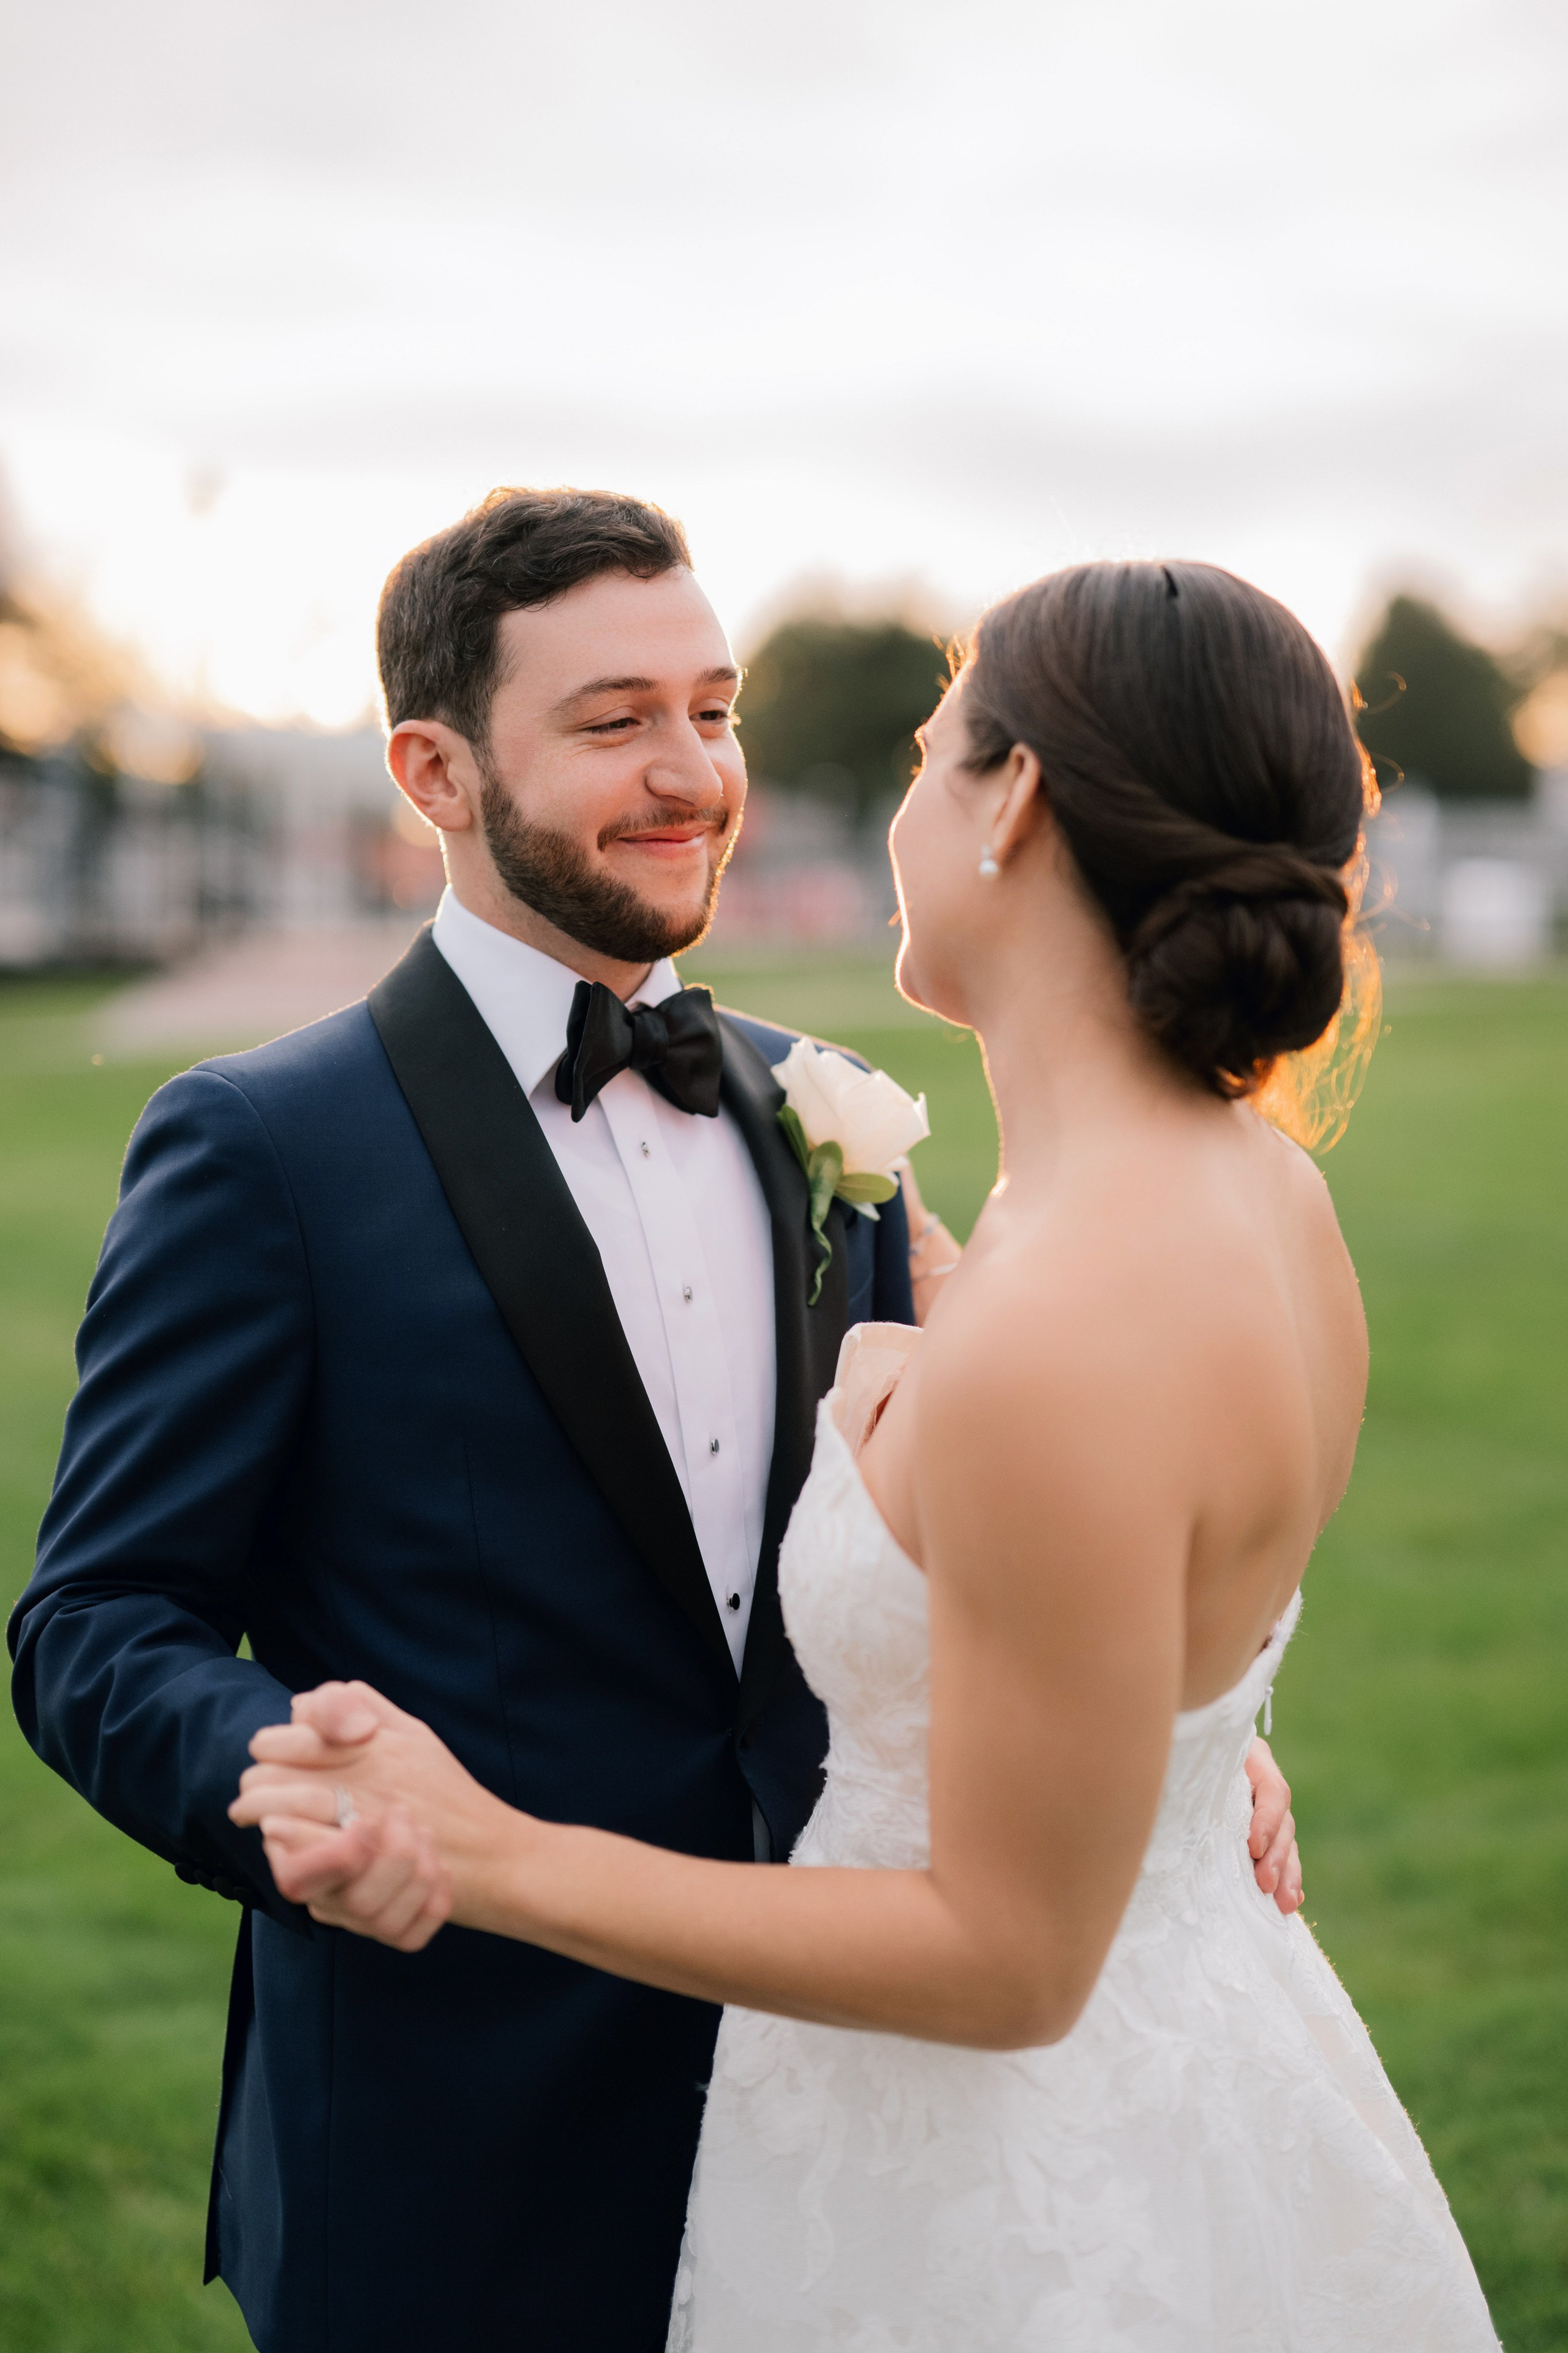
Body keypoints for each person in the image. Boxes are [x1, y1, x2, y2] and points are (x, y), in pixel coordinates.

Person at [5, 491, 1303, 2353]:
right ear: (434, 770)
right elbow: (92, 1624)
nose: (692, 771)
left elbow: (970, 1515)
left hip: (858, 2097)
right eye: (614, 722)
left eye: (718, 708)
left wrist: (1164, 1729)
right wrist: (316, 1794)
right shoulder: (261, 1148)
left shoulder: (827, 1109)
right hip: (457, 2129)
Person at [234, 559, 1499, 2351]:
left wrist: (487, 1851)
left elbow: (1009, 1957)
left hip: (989, 2213)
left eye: (926, 746)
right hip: (1201, 2106)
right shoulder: (1258, 1198)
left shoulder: (1063, 1321)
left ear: (1017, 801)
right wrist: (1169, 1740)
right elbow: (1153, 1563)